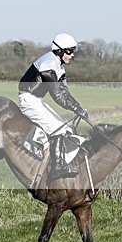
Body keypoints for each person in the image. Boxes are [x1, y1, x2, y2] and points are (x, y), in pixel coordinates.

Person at [18, 33, 89, 180]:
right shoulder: (49, 64)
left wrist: (78, 107)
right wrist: (76, 109)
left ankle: (60, 163)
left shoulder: (58, 65)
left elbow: (64, 91)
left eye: (73, 51)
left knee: (65, 129)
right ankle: (56, 168)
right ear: (59, 51)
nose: (72, 55)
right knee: (58, 129)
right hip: (29, 100)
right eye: (69, 51)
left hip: (36, 100)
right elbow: (57, 96)